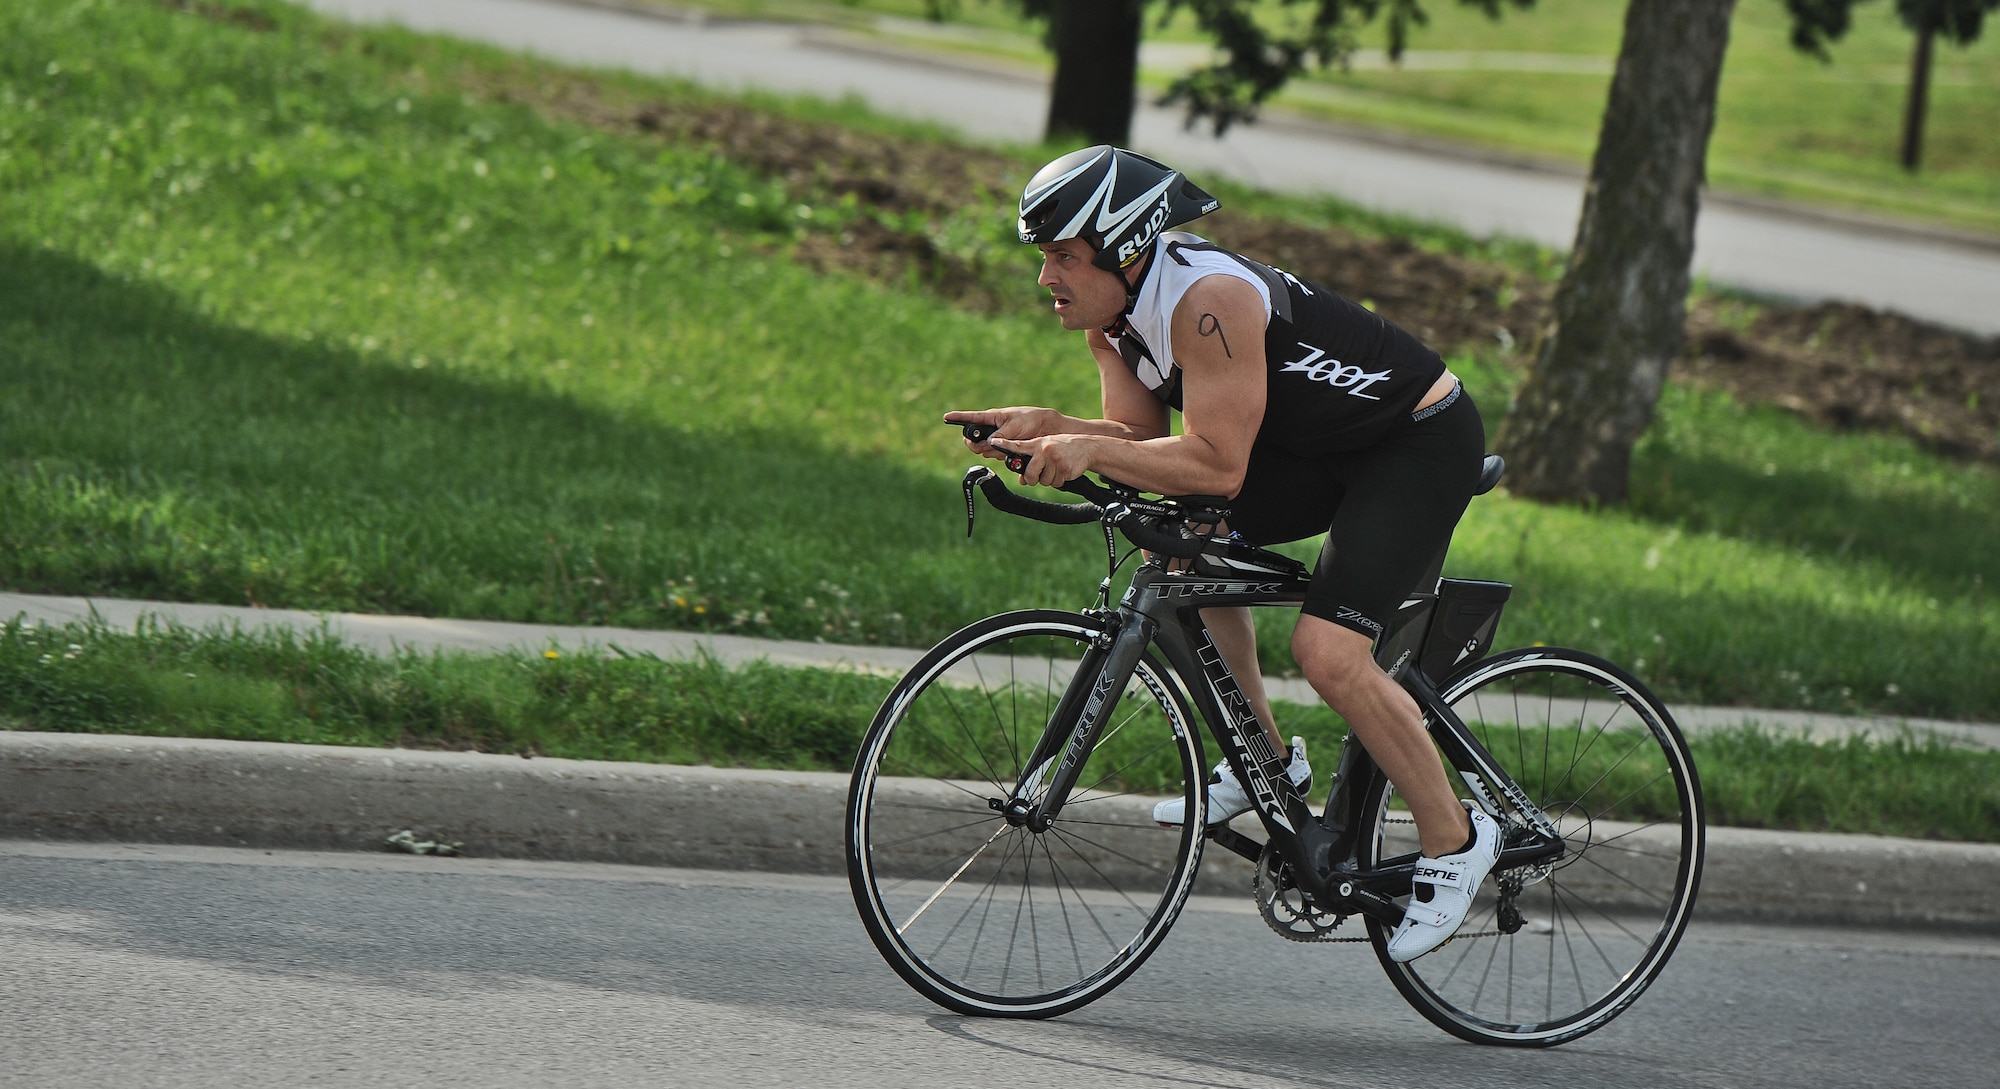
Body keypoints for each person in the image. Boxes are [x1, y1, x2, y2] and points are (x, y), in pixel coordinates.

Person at [945, 146, 1498, 962]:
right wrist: (1052, 423)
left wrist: (1086, 453)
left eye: (1063, 255)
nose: (1045, 277)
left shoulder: (1208, 304)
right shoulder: (1113, 319)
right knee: (1184, 556)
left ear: (1126, 248)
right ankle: (1269, 761)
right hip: (1314, 447)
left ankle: (1456, 841)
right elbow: (1138, 436)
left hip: (1411, 444)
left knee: (1330, 651)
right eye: (1043, 256)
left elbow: (1215, 464)